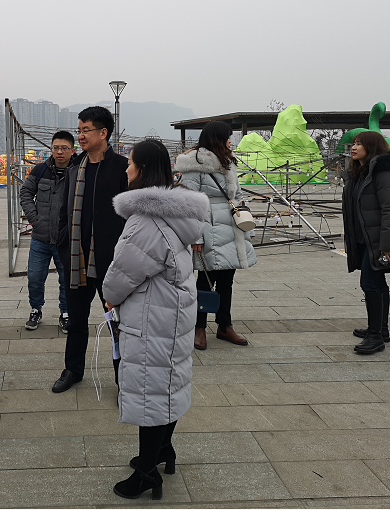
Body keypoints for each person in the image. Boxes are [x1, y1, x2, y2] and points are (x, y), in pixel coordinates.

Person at [103, 140, 209, 500]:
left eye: (131, 163)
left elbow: (123, 273)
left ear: (143, 169)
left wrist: (109, 296)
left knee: (150, 392)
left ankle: (146, 472)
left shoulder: (145, 220)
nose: (127, 169)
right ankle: (164, 450)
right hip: (174, 314)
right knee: (168, 384)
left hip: (152, 316)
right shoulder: (177, 214)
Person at [52, 106, 128, 393]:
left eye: (86, 130)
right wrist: (63, 244)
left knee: (118, 324)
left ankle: (124, 379)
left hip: (112, 262)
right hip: (77, 260)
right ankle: (73, 369)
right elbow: (64, 209)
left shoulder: (122, 168)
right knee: (76, 320)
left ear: (103, 132)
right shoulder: (75, 168)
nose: (80, 136)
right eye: (79, 130)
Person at [175, 121, 257, 350]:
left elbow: (237, 195)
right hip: (207, 229)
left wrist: (245, 220)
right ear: (217, 139)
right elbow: (189, 203)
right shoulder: (195, 163)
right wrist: (196, 237)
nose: (231, 141)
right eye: (227, 137)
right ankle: (198, 327)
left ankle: (224, 325)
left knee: (227, 280)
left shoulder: (228, 161)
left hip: (230, 229)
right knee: (204, 280)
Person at [342, 131, 390, 354]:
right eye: (353, 143)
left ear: (372, 147)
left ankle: (375, 336)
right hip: (365, 238)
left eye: (359, 144)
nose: (354, 147)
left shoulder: (383, 172)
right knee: (378, 281)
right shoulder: (359, 173)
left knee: (369, 283)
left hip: (378, 240)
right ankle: (380, 329)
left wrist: (388, 245)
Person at [19, 131, 75, 333]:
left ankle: (66, 313)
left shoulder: (78, 172)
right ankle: (35, 309)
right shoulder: (40, 170)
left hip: (66, 239)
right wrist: (34, 219)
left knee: (67, 279)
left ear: (72, 150)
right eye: (56, 148)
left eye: (64, 148)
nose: (59, 152)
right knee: (34, 277)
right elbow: (25, 193)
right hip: (40, 238)